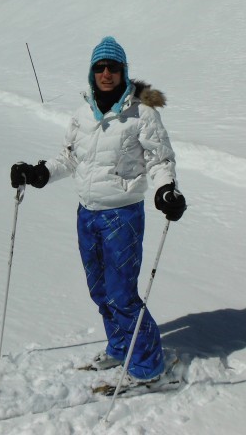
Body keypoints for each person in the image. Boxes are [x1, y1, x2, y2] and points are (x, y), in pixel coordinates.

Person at [10, 36, 186, 383]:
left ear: (124, 72)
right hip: (87, 214)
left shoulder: (141, 113)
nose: (106, 73)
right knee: (100, 290)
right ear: (92, 72)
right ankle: (120, 348)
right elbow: (72, 157)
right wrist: (39, 172)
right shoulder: (82, 113)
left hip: (123, 215)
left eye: (113, 67)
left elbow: (160, 159)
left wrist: (166, 189)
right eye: (100, 67)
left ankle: (149, 367)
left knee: (122, 294)